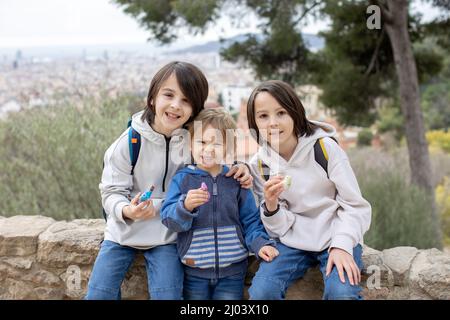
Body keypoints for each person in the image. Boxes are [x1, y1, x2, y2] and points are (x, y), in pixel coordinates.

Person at [85, 61, 253, 300]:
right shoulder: (129, 143)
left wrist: (240, 168)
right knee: (98, 295)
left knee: (168, 295)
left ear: (195, 108)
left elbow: (215, 163)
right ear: (152, 97)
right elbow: (110, 192)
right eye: (169, 95)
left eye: (186, 100)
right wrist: (126, 210)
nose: (176, 105)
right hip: (122, 233)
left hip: (167, 235)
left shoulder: (193, 141)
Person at [245, 80, 371, 300]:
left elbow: (354, 205)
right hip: (290, 242)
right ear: (254, 123)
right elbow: (278, 230)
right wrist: (272, 206)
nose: (273, 123)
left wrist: (342, 245)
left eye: (281, 112)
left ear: (295, 112)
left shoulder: (324, 148)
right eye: (263, 116)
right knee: (262, 292)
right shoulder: (259, 166)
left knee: (341, 293)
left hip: (335, 234)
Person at [160, 108, 279, 300]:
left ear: (228, 149)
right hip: (194, 270)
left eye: (216, 144)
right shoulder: (182, 180)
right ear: (191, 144)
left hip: (233, 272)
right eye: (202, 142)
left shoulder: (235, 180)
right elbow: (169, 220)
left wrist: (260, 244)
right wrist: (185, 206)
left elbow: (250, 221)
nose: (208, 149)